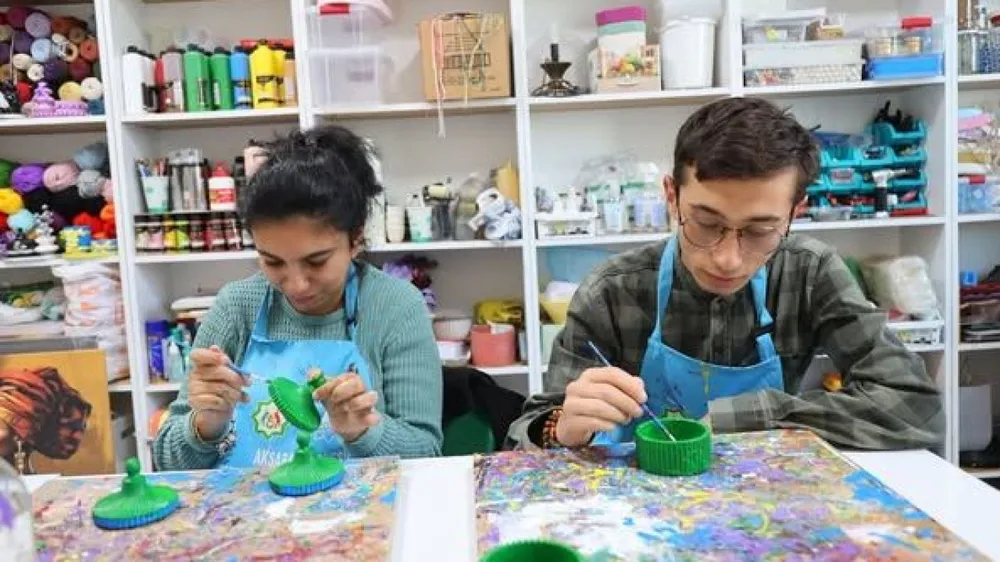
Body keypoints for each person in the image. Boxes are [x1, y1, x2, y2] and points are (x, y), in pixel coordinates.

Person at [507, 97, 945, 452]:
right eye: (706, 223)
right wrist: (564, 428)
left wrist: (765, 413)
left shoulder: (809, 273)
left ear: (794, 213)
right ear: (672, 197)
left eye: (759, 230)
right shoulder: (614, 290)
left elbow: (915, 406)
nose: (728, 259)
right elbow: (525, 433)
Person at [153, 125, 443, 470]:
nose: (296, 285)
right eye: (273, 262)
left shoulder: (395, 307)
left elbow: (427, 454)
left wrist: (364, 432)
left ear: (356, 238)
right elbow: (167, 462)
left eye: (316, 261)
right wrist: (205, 424)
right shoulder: (237, 306)